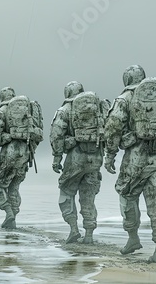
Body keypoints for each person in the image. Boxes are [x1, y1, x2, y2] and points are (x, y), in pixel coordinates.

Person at [104, 65, 156, 263]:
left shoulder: (125, 98)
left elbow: (113, 126)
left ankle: (132, 238)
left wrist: (110, 155)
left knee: (127, 195)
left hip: (134, 161)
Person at [50, 81, 110, 244]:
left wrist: (57, 158)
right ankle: (89, 234)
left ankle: (73, 229)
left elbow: (57, 134)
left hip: (75, 158)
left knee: (66, 193)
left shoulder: (64, 110)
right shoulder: (98, 107)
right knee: (88, 197)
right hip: (95, 158)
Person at [0, 87, 43, 228]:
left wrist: (5, 138)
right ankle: (13, 219)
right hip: (26, 153)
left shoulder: (2, 111)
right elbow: (38, 133)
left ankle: (8, 213)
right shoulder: (28, 110)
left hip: (9, 153)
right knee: (14, 187)